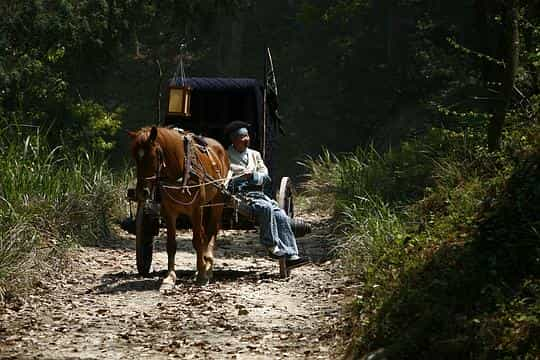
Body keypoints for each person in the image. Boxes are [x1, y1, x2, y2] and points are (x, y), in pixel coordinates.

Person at [225, 121, 309, 269]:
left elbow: (265, 175)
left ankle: (291, 255)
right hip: (240, 195)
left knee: (281, 215)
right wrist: (239, 177)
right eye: (242, 137)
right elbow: (224, 178)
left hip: (258, 193)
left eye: (247, 136)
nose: (247, 139)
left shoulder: (255, 155)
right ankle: (271, 246)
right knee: (265, 208)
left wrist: (253, 175)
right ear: (234, 140)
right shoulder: (225, 156)